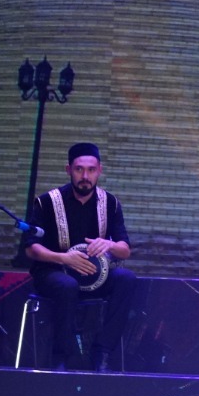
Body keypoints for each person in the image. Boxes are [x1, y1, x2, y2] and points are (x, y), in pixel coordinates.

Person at [24, 142, 135, 371]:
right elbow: (30, 248)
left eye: (91, 170)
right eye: (79, 169)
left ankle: (102, 352)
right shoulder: (47, 202)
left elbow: (125, 250)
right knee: (67, 285)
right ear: (68, 170)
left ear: (99, 171)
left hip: (96, 275)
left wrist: (110, 244)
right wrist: (63, 258)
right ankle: (61, 358)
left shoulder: (110, 203)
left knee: (127, 279)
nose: (85, 176)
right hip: (54, 273)